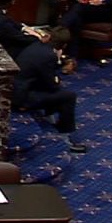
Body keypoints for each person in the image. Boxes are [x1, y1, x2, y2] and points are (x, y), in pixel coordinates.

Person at [13, 26, 86, 154]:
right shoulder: (48, 56)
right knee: (69, 96)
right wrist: (57, 71)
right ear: (63, 45)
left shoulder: (38, 46)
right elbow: (51, 85)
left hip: (20, 87)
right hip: (22, 97)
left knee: (58, 92)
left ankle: (49, 116)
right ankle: (65, 134)